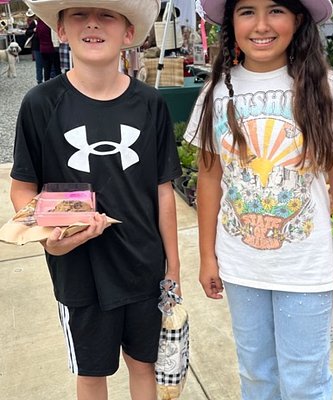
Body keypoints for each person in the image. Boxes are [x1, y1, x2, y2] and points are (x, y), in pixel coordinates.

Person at [184, 0, 333, 399]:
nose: (261, 24)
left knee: (305, 381)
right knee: (256, 374)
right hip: (241, 266)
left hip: (306, 269)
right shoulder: (215, 93)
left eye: (276, 10)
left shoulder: (327, 88)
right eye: (247, 11)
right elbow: (209, 177)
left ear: (298, 19)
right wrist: (208, 255)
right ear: (231, 22)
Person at [11, 0, 181, 399]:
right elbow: (23, 188)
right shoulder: (40, 104)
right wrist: (48, 237)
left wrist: (172, 266)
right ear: (61, 30)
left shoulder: (150, 104)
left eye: (106, 14)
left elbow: (163, 191)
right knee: (91, 374)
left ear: (128, 32)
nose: (92, 24)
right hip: (78, 271)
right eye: (79, 15)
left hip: (144, 267)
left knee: (145, 366)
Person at [25, 8, 43, 84]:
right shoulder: (34, 23)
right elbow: (27, 33)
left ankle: (42, 81)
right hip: (37, 46)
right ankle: (39, 81)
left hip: (42, 46)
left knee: (43, 65)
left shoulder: (43, 21)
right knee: (39, 65)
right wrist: (33, 30)